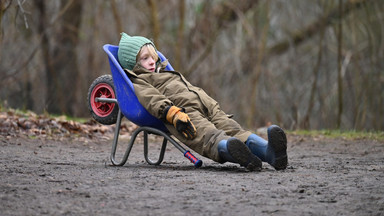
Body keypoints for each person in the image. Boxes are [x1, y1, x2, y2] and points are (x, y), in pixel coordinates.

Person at [117, 33, 288, 171]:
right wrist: (173, 113)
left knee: (234, 129)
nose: (152, 61)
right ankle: (234, 151)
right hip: (184, 113)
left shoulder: (163, 71)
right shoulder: (140, 80)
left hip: (208, 107)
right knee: (209, 136)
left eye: (152, 56)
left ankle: (271, 152)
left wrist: (210, 104)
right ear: (133, 64)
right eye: (145, 58)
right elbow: (152, 99)